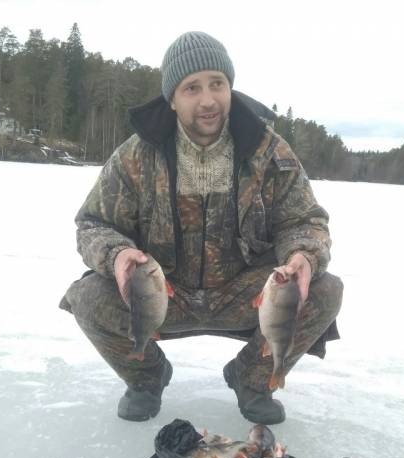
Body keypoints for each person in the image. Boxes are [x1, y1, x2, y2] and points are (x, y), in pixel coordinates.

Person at [60, 31, 342, 425]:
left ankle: (253, 379)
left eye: (217, 84)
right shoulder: (136, 155)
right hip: (162, 292)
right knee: (87, 296)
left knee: (326, 291)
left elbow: (305, 221)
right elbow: (93, 224)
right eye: (192, 88)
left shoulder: (269, 150)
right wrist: (118, 254)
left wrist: (302, 256)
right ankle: (146, 377)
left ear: (230, 88)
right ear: (172, 100)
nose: (208, 100)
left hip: (248, 294)